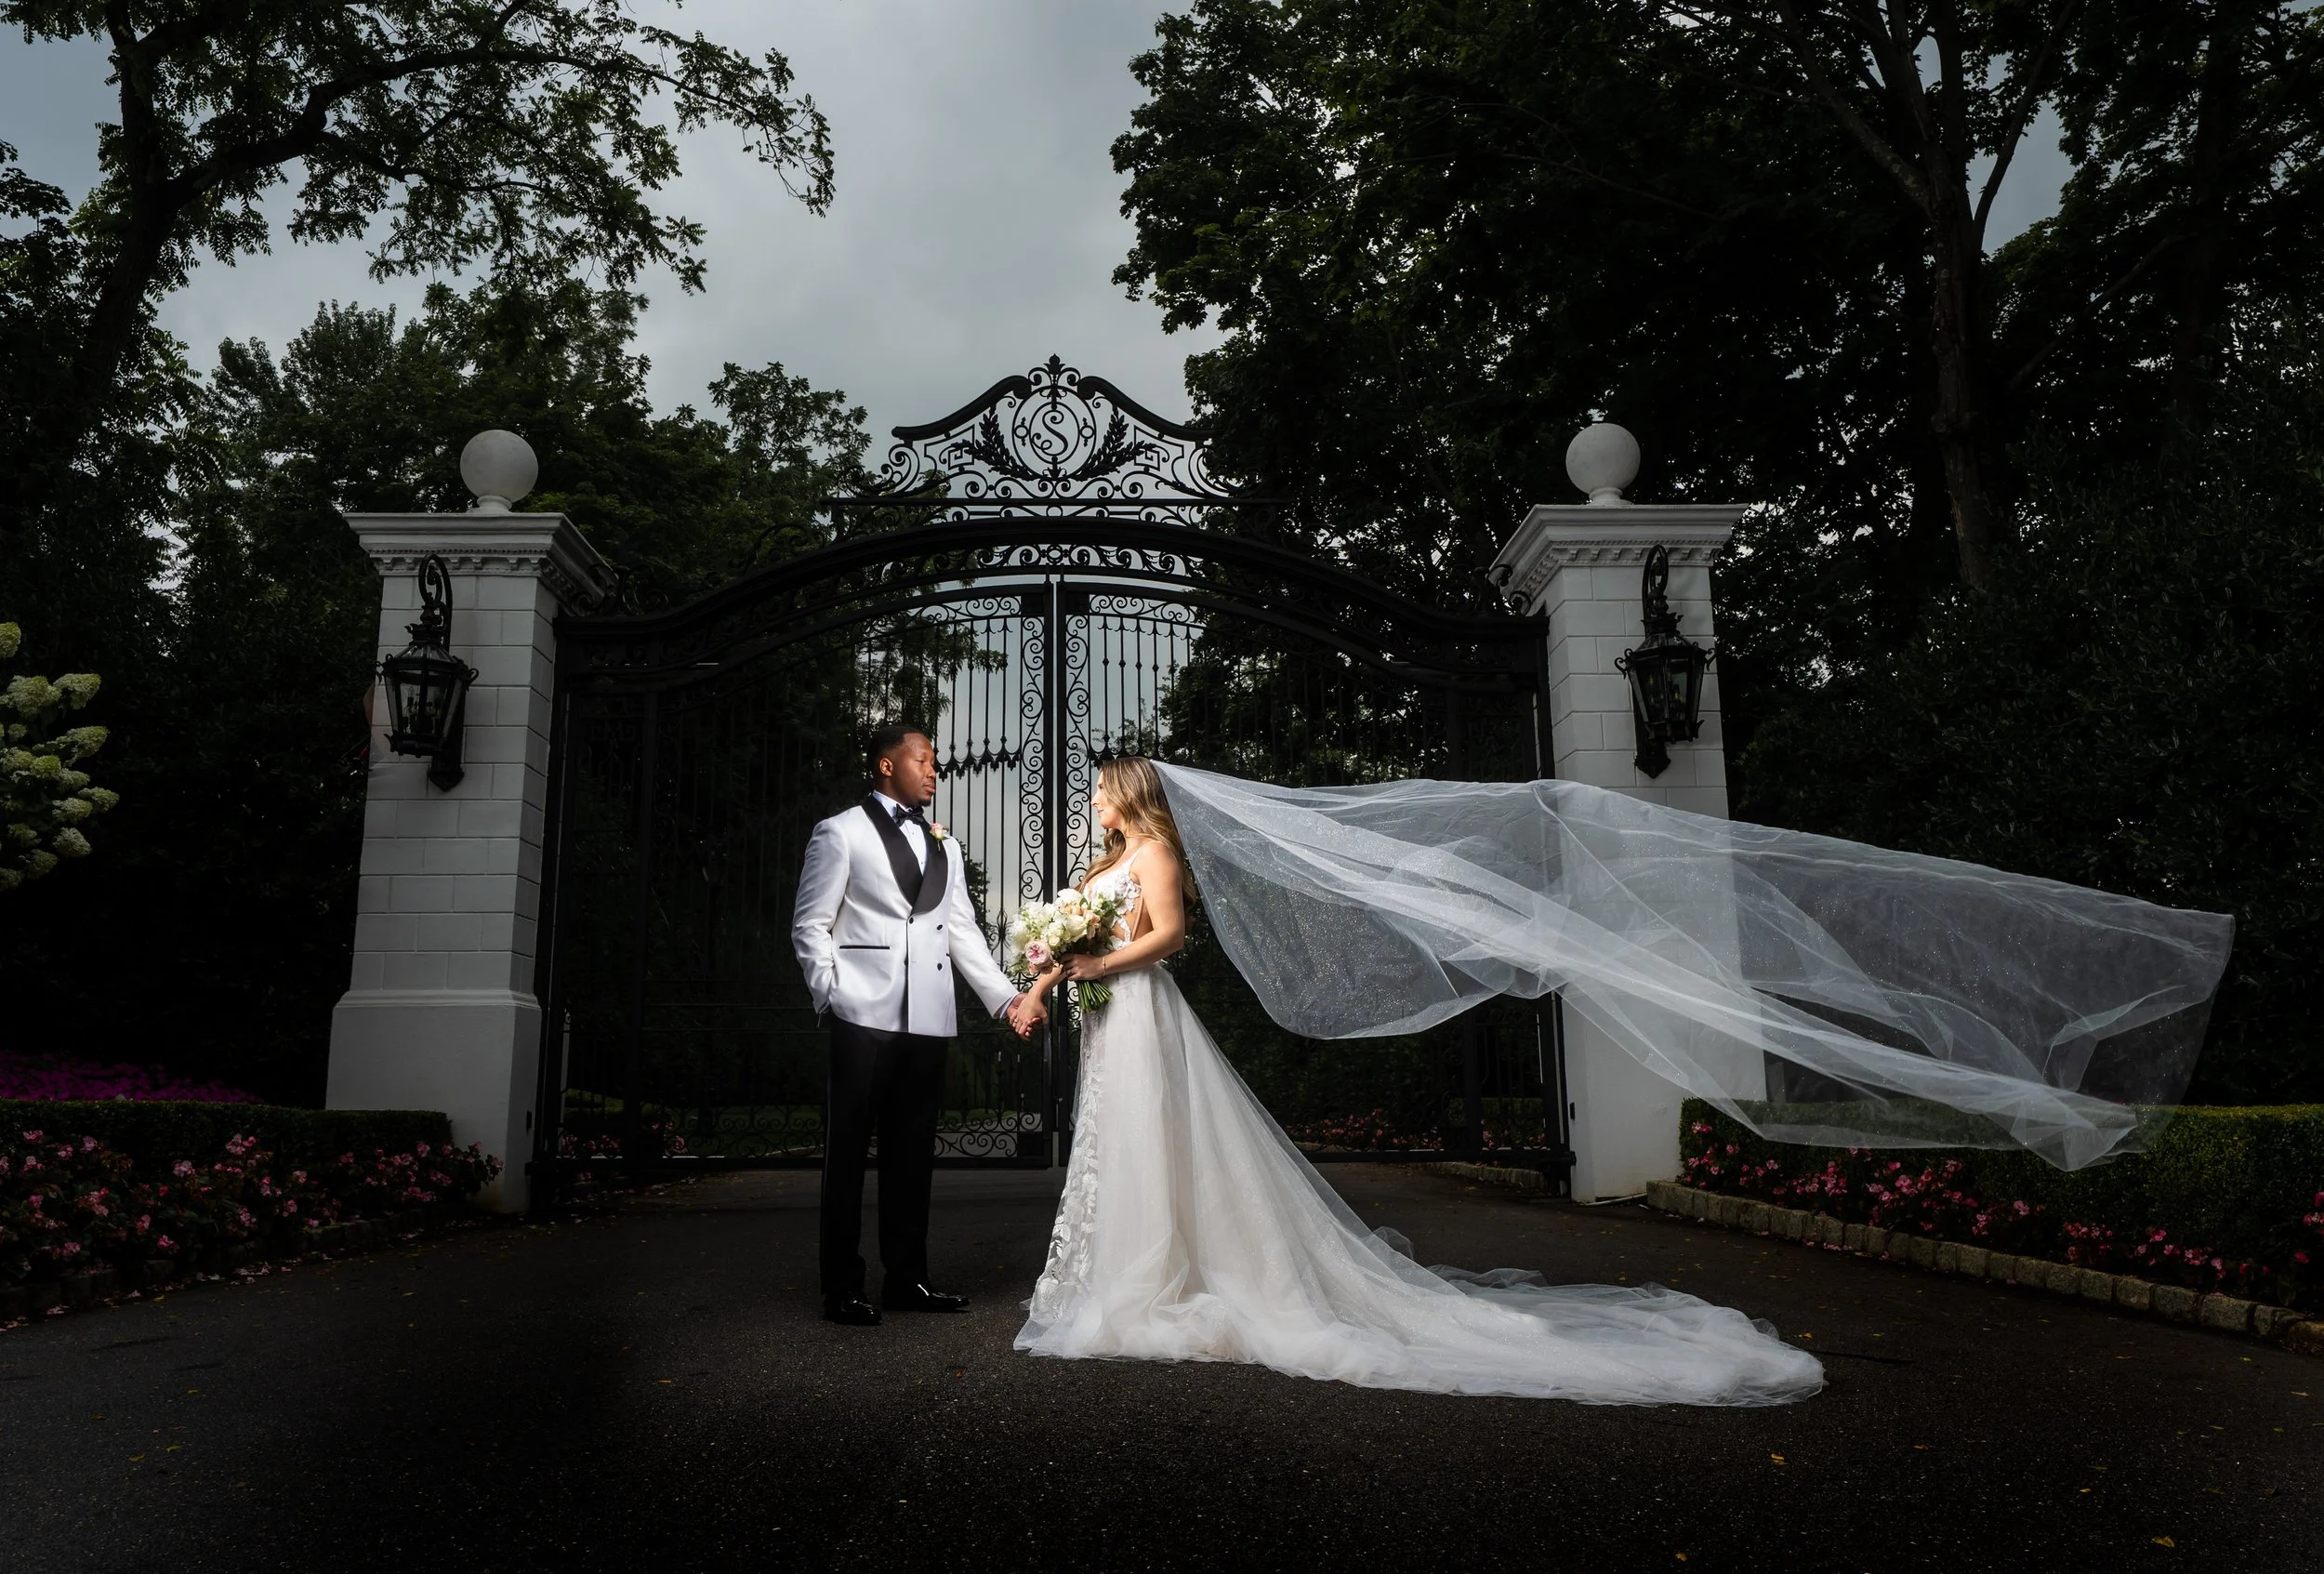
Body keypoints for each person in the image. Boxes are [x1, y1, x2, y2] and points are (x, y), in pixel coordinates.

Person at [1003, 756, 1826, 1405]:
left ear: (1131, 794)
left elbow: (1173, 936)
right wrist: (1049, 978)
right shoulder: (1107, 859)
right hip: (1109, 1016)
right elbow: (1076, 945)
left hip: (1144, 1009)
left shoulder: (1156, 852)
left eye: (1102, 791)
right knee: (1120, 1138)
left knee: (1153, 1135)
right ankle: (1124, 1275)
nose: (1094, 801)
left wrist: (1099, 961)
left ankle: (1156, 1284)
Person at [791, 722, 1025, 1327]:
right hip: (861, 1014)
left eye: (937, 762)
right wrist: (834, 996)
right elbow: (810, 925)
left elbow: (964, 933)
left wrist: (1006, 1000)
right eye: (923, 759)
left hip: (928, 1018)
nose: (934, 770)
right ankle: (841, 1285)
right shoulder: (839, 833)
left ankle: (908, 1278)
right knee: (846, 1155)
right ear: (886, 765)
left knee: (912, 1155)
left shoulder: (943, 843)